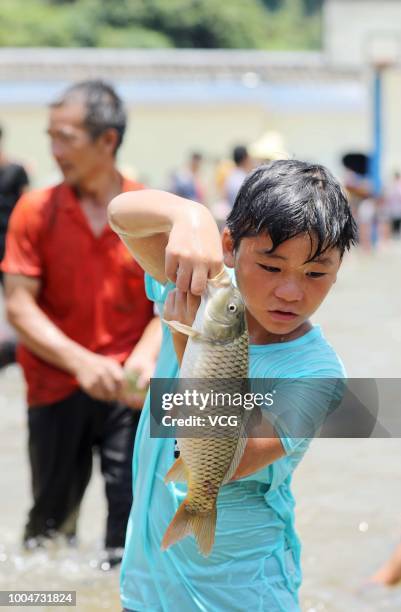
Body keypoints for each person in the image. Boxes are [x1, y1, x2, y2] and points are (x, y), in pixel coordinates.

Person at [108, 159, 357, 611]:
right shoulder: (210, 298)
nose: (290, 291)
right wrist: (189, 215)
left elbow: (229, 460)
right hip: (147, 589)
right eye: (270, 265)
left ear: (339, 270)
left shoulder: (318, 374)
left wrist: (190, 347)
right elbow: (122, 214)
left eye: (316, 274)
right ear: (230, 246)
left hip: (241, 595)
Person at [1, 80, 161, 566]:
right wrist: (81, 361)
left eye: (65, 137)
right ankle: (43, 600)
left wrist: (145, 355)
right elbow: (19, 306)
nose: (54, 151)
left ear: (106, 141)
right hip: (55, 384)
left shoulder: (149, 211)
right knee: (49, 527)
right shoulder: (35, 210)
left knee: (132, 528)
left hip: (130, 389)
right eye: (50, 136)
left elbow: (172, 303)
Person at [0, 125, 29, 367]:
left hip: (10, 246)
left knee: (15, 299)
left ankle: (19, 346)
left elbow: (26, 206)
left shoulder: (16, 171)